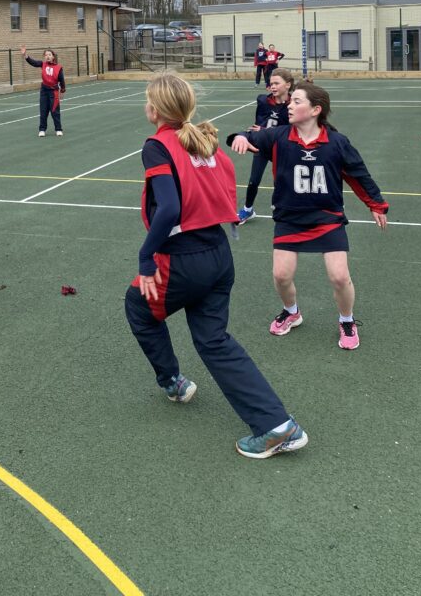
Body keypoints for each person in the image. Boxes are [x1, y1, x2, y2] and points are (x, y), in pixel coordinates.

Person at [125, 72, 308, 460]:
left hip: (184, 259)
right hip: (219, 255)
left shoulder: (157, 145)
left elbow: (170, 207)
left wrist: (145, 258)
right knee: (214, 340)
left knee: (138, 307)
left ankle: (173, 381)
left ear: (155, 109)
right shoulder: (204, 139)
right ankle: (277, 425)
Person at [230, 81, 388, 351]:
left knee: (339, 276)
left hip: (327, 218)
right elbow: (243, 136)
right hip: (289, 218)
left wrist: (376, 204)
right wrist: (239, 138)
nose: (290, 105)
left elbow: (358, 174)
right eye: (290, 101)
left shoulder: (336, 142)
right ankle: (292, 312)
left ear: (316, 109)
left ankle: (347, 320)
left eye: (297, 101)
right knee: (281, 275)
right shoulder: (278, 136)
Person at [237, 67, 295, 224]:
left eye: (277, 83)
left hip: (283, 147)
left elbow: (292, 129)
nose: (273, 86)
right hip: (263, 146)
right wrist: (257, 133)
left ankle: (286, 207)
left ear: (288, 85)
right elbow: (258, 124)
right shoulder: (263, 101)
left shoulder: (294, 104)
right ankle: (248, 209)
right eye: (271, 83)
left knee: (282, 180)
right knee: (253, 180)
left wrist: (266, 130)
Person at [20, 45, 66, 136]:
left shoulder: (58, 67)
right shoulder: (42, 64)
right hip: (44, 91)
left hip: (54, 92)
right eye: (46, 55)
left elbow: (62, 80)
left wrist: (62, 91)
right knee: (43, 110)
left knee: (55, 111)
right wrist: (25, 55)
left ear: (53, 56)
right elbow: (33, 62)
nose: (48, 56)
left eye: (49, 54)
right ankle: (42, 129)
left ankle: (58, 129)